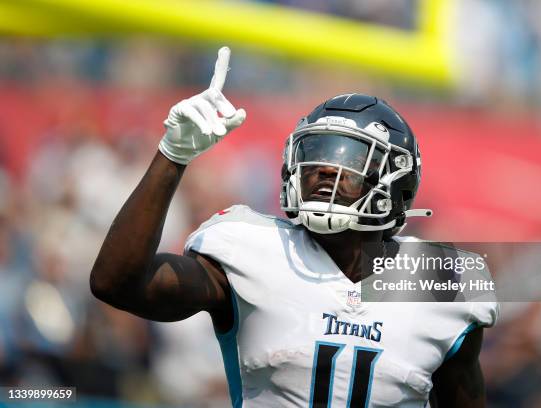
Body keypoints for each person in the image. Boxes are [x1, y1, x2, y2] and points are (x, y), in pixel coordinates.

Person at [90, 47, 498, 407]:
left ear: (396, 181)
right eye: (315, 152)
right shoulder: (250, 248)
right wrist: (173, 155)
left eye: (349, 158)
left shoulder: (441, 281)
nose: (323, 167)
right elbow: (117, 284)